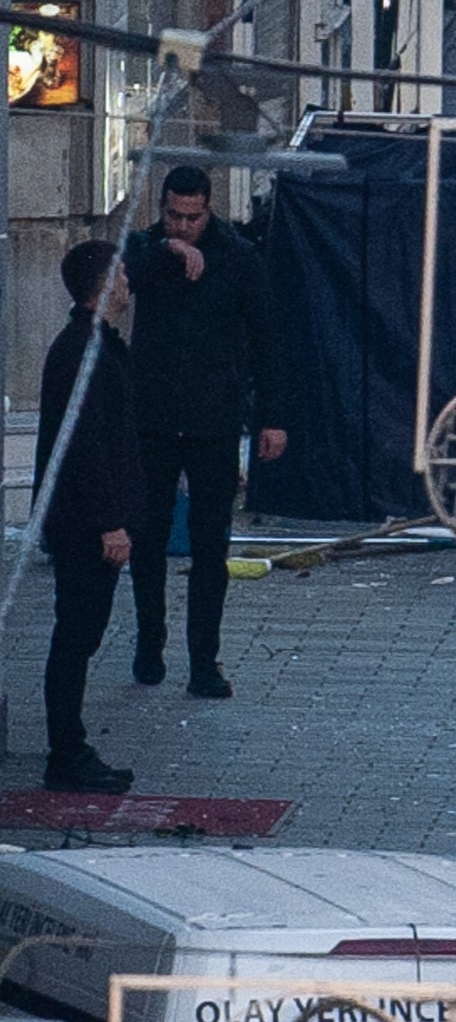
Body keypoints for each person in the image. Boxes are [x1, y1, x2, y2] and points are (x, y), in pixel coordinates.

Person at [121, 165, 284, 699]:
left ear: (208, 209)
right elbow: (122, 278)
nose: (183, 225)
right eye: (174, 215)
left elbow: (266, 340)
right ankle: (150, 641)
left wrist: (271, 417)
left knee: (211, 545)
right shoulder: (150, 248)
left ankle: (203, 659)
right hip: (156, 417)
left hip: (214, 419)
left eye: (192, 217)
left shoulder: (237, 258)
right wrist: (168, 251)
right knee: (147, 535)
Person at [34, 242, 140, 793]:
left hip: (82, 520)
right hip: (83, 526)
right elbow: (86, 446)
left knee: (79, 635)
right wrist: (109, 522)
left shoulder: (90, 345)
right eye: (121, 273)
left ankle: (70, 748)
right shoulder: (84, 351)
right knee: (75, 636)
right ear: (105, 283)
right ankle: (66, 753)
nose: (128, 282)